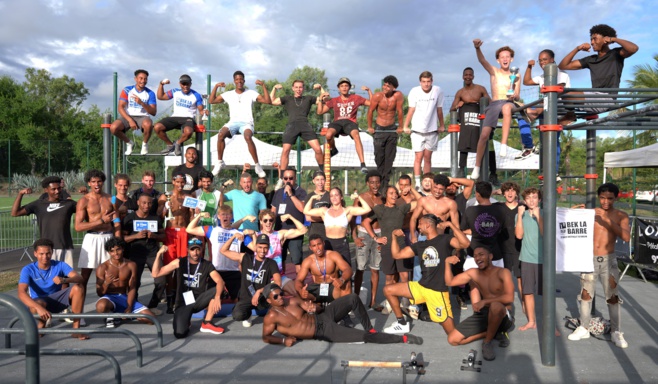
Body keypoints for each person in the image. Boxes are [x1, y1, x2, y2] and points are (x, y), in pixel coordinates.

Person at [382, 214, 470, 334]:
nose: (418, 227)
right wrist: (393, 237)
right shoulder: (420, 245)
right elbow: (397, 255)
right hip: (421, 287)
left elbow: (465, 244)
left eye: (420, 223)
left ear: (428, 224)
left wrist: (450, 225)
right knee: (388, 290)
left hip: (437, 293)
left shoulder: (445, 239)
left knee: (452, 335)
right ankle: (401, 323)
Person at [568, 183, 630, 348]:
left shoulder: (621, 215)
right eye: (602, 198)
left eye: (609, 198)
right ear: (598, 197)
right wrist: (573, 212)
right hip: (589, 259)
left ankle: (616, 331)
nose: (605, 201)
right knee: (586, 295)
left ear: (615, 198)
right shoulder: (591, 213)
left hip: (608, 259)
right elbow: (568, 224)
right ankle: (584, 327)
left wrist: (607, 219)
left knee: (613, 297)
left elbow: (626, 237)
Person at [262, 283, 423, 346]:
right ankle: (404, 338)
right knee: (365, 337)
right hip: (322, 331)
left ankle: (371, 328)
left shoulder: (292, 300)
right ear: (269, 301)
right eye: (276, 297)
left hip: (322, 316)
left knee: (353, 298)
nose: (280, 297)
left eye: (280, 293)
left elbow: (315, 308)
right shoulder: (271, 317)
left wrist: (314, 308)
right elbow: (266, 337)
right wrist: (283, 340)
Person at [444, 246, 515, 361]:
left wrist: (485, 301)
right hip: (484, 314)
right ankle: (493, 332)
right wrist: (447, 263)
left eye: (481, 254)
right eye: (475, 256)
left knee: (495, 306)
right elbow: (450, 282)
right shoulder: (473, 273)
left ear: (490, 256)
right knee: (453, 339)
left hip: (503, 315)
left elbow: (509, 297)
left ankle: (487, 342)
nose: (478, 258)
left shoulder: (503, 272)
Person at [152, 239, 227, 338]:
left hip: (198, 300)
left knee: (220, 289)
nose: (195, 253)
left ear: (201, 249)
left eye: (198, 249)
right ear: (188, 250)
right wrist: (158, 255)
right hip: (183, 303)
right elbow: (155, 273)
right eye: (192, 249)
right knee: (180, 334)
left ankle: (207, 323)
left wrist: (217, 297)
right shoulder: (179, 262)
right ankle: (186, 320)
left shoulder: (207, 264)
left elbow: (220, 281)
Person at [558, 24, 638, 114]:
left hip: (607, 98)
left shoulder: (615, 54)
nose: (592, 42)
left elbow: (633, 48)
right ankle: (568, 115)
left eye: (595, 38)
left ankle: (570, 116)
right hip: (593, 96)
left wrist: (613, 39)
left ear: (605, 39)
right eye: (591, 39)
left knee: (568, 95)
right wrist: (578, 49)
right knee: (558, 96)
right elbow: (563, 65)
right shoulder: (591, 60)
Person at [362, 185, 419, 311]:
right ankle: (391, 303)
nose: (394, 195)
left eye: (396, 193)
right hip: (387, 247)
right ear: (385, 195)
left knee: (404, 275)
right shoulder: (380, 209)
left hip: (401, 246)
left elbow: (421, 201)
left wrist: (411, 190)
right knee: (390, 277)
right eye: (391, 193)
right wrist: (375, 238)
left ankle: (405, 304)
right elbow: (365, 222)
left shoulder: (401, 208)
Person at [17, 239, 87, 339]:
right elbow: (21, 292)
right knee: (37, 304)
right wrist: (39, 308)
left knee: (79, 288)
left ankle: (76, 330)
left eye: (48, 253)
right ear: (35, 253)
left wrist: (64, 280)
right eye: (41, 254)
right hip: (40, 302)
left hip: (57, 300)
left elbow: (80, 278)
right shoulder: (28, 269)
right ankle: (41, 325)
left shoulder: (60, 265)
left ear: (52, 252)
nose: (45, 257)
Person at [470, 40, 519, 180]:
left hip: (509, 102)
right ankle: (477, 166)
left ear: (511, 59)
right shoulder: (494, 72)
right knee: (484, 135)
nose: (505, 59)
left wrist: (514, 95)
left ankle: (504, 144)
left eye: (507, 56)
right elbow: (482, 60)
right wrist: (477, 48)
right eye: (502, 57)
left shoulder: (516, 74)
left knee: (506, 108)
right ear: (498, 60)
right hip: (495, 103)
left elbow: (518, 94)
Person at [209, 71, 272, 177]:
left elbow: (267, 101)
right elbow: (212, 101)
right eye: (237, 79)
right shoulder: (228, 94)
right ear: (234, 81)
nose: (239, 81)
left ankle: (257, 165)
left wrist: (263, 86)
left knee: (248, 136)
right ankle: (219, 162)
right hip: (233, 123)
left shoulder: (251, 93)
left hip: (246, 123)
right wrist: (216, 86)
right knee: (220, 135)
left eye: (241, 79)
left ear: (244, 80)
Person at [12, 176, 77, 268]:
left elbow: (88, 210)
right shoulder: (38, 204)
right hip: (47, 249)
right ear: (46, 190)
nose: (57, 191)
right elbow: (15, 213)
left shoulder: (69, 204)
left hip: (66, 246)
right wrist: (20, 194)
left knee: (66, 278)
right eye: (53, 189)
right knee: (49, 278)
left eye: (59, 188)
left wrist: (86, 193)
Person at [461, 181, 508, 305]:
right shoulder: (501, 209)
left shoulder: (470, 210)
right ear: (490, 193)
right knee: (496, 286)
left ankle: (478, 314)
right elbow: (503, 229)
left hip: (474, 252)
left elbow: (462, 229)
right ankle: (497, 314)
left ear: (477, 194)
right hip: (495, 253)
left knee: (474, 284)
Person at [75, 170, 121, 294]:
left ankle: (106, 307)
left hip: (108, 238)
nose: (97, 184)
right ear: (89, 183)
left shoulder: (111, 199)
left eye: (99, 181)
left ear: (103, 182)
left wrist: (117, 241)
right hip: (92, 238)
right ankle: (78, 310)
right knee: (84, 276)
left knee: (109, 274)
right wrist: (100, 221)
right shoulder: (83, 201)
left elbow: (116, 221)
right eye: (93, 182)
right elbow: (78, 227)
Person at [220, 233, 281, 327]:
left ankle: (277, 318)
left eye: (265, 247)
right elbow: (223, 250)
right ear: (255, 247)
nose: (263, 250)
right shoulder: (245, 257)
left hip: (262, 297)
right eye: (260, 247)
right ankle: (248, 314)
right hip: (246, 297)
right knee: (237, 315)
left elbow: (278, 283)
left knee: (278, 297)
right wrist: (233, 237)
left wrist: (259, 291)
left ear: (268, 248)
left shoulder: (271, 263)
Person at [270, 80, 324, 188]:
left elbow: (324, 99)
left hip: (305, 125)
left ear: (303, 88)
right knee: (285, 151)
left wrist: (320, 88)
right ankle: (281, 178)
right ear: (293, 88)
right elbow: (272, 101)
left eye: (300, 87)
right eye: (296, 87)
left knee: (318, 149)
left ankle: (322, 171)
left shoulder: (308, 98)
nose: (298, 89)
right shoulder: (288, 98)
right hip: (292, 126)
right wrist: (274, 88)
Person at [304, 187, 372, 267]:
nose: (334, 197)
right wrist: (312, 198)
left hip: (342, 244)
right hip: (329, 243)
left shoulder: (348, 211)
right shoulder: (324, 211)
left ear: (341, 197)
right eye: (331, 196)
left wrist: (359, 197)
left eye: (336, 195)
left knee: (346, 270)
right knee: (330, 271)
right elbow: (306, 211)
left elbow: (367, 209)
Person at [95, 238, 156, 327]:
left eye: (118, 249)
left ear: (123, 248)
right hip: (109, 297)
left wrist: (129, 306)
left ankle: (123, 315)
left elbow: (132, 287)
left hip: (124, 296)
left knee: (151, 319)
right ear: (108, 252)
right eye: (112, 251)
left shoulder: (131, 265)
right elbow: (99, 293)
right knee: (101, 306)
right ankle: (111, 315)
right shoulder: (103, 267)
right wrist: (106, 283)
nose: (115, 253)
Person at [186, 207, 244, 299]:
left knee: (238, 301)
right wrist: (199, 215)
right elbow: (189, 229)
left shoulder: (239, 232)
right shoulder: (212, 230)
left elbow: (254, 246)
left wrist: (252, 233)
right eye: (223, 214)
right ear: (218, 216)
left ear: (231, 216)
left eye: (228, 214)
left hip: (233, 271)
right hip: (216, 271)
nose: (225, 216)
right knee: (212, 300)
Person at [316, 77, 371, 174]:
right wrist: (320, 99)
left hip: (350, 122)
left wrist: (369, 91)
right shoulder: (334, 100)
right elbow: (320, 112)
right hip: (338, 122)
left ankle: (362, 164)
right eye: (342, 86)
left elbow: (372, 103)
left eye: (346, 86)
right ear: (338, 88)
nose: (344, 88)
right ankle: (334, 149)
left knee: (356, 135)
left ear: (349, 87)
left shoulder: (356, 98)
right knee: (328, 135)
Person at [121, 193, 166, 312]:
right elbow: (122, 239)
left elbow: (163, 236)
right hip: (136, 254)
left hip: (152, 254)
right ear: (138, 203)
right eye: (144, 203)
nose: (147, 205)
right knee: (134, 282)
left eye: (149, 203)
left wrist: (154, 236)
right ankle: (134, 305)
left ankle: (153, 305)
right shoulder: (130, 218)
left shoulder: (155, 218)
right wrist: (136, 236)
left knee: (161, 280)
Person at [402, 71, 445, 190]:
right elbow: (411, 109)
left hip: (432, 131)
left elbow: (439, 109)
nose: (426, 84)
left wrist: (442, 125)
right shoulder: (414, 91)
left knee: (427, 158)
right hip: (417, 131)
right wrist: (405, 126)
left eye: (428, 81)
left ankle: (428, 182)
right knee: (418, 157)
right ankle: (417, 183)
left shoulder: (438, 91)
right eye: (424, 82)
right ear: (420, 82)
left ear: (432, 81)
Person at [247, 210, 306, 295]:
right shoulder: (255, 235)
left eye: (271, 220)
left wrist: (290, 216)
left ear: (273, 221)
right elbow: (233, 231)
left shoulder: (279, 234)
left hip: (279, 276)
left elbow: (303, 230)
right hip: (261, 278)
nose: (268, 223)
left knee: (298, 293)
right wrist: (244, 220)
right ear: (261, 221)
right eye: (265, 220)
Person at [449, 67, 491, 178]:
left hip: (479, 121)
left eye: (470, 75)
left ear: (473, 76)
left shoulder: (480, 89)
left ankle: (485, 170)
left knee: (484, 143)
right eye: (466, 75)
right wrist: (458, 105)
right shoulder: (460, 92)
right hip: (466, 122)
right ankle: (461, 169)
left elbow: (489, 103)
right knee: (464, 143)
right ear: (463, 77)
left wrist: (480, 104)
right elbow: (452, 108)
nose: (468, 77)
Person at [352, 171, 384, 308]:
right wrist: (354, 238)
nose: (375, 185)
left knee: (375, 269)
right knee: (359, 268)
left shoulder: (383, 198)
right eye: (372, 182)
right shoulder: (360, 198)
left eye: (377, 182)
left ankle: (373, 301)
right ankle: (355, 299)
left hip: (379, 235)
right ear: (367, 183)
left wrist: (382, 239)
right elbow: (352, 219)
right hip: (363, 235)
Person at [366, 75, 404, 188]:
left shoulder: (398, 96)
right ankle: (379, 180)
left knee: (390, 157)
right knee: (379, 157)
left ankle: (385, 183)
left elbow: (400, 111)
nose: (385, 87)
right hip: (379, 129)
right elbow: (370, 111)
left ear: (394, 87)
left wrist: (401, 126)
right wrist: (370, 126)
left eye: (388, 86)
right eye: (384, 85)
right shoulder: (377, 96)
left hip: (391, 129)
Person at [514, 187, 543, 332]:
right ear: (524, 201)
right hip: (526, 258)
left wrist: (539, 217)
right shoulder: (521, 215)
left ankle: (549, 325)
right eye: (528, 198)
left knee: (546, 294)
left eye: (534, 197)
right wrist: (519, 216)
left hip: (544, 260)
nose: (531, 200)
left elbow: (546, 234)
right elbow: (519, 236)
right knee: (528, 292)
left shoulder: (545, 214)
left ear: (539, 199)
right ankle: (531, 321)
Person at [154, 74, 205, 156]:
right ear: (180, 84)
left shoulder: (196, 95)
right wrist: (161, 84)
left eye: (187, 84)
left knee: (188, 132)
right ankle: (170, 145)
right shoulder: (175, 91)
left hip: (188, 118)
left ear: (190, 84)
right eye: (183, 84)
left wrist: (205, 112)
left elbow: (201, 110)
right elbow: (160, 97)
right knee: (157, 127)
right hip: (175, 117)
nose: (185, 86)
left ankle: (178, 143)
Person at [109, 69, 157, 155]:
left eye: (145, 79)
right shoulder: (127, 90)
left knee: (148, 124)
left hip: (143, 117)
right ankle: (129, 143)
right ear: (135, 79)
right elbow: (120, 107)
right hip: (128, 116)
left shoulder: (150, 93)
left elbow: (153, 112)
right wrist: (130, 120)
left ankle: (145, 144)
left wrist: (142, 103)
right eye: (141, 78)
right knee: (113, 128)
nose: (143, 81)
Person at [270, 167, 308, 273]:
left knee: (297, 261)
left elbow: (302, 208)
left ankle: (299, 285)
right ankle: (281, 283)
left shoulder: (300, 192)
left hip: (295, 231)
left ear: (295, 178)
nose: (288, 181)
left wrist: (291, 194)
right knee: (279, 259)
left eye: (291, 178)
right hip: (280, 231)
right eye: (285, 178)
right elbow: (272, 211)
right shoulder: (278, 193)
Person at [295, 234, 353, 303]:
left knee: (347, 283)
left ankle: (345, 310)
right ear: (310, 248)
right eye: (314, 246)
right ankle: (316, 307)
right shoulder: (308, 261)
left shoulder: (333, 255)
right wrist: (300, 290)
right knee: (301, 293)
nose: (317, 248)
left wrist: (342, 279)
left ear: (323, 243)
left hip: (333, 287)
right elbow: (298, 280)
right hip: (317, 288)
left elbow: (348, 269)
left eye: (319, 244)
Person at [409, 174, 459, 244]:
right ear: (432, 185)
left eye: (441, 189)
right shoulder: (423, 200)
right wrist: (413, 236)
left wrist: (457, 244)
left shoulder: (450, 203)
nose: (437, 191)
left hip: (440, 238)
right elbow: (413, 218)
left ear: (445, 189)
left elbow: (456, 225)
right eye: (436, 187)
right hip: (424, 237)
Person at [304, 170, 331, 242]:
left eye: (322, 179)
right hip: (315, 231)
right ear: (313, 181)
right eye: (317, 180)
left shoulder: (330, 195)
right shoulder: (309, 196)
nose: (320, 182)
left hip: (328, 231)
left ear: (325, 181)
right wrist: (323, 217)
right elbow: (308, 217)